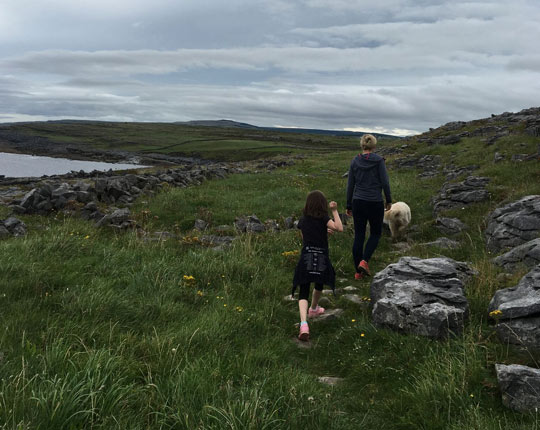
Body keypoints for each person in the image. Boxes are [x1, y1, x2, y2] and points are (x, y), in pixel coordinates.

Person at [292, 190, 343, 341]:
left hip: (306, 256)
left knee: (303, 289)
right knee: (319, 284)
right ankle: (314, 308)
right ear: (322, 204)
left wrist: (322, 233)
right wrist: (334, 211)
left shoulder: (303, 221)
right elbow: (339, 228)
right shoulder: (324, 219)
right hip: (321, 257)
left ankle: (303, 323)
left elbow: (306, 238)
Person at [346, 134, 392, 280]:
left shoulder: (355, 161)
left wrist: (349, 204)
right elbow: (385, 182)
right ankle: (364, 261)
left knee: (359, 236)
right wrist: (388, 200)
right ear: (374, 146)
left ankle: (357, 273)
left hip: (358, 201)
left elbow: (350, 185)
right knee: (375, 234)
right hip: (375, 202)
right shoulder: (379, 161)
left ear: (362, 145)